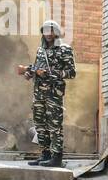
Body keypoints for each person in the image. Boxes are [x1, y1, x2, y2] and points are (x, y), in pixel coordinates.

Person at [18, 19, 75, 167]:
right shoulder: (40, 50)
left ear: (56, 32)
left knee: (54, 125)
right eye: (45, 31)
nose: (48, 34)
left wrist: (48, 73)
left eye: (51, 31)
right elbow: (37, 67)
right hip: (38, 94)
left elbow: (71, 73)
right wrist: (30, 73)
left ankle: (56, 157)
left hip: (53, 94)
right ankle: (45, 154)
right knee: (40, 124)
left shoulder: (64, 49)